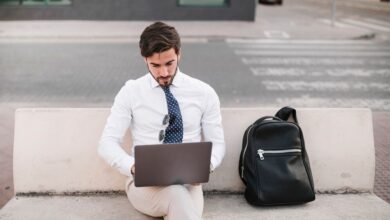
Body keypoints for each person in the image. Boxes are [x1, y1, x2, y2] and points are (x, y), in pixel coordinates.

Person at [98, 21, 226, 220]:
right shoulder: (131, 92)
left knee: (180, 198)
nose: (164, 73)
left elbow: (217, 143)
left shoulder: (204, 93)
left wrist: (206, 166)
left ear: (179, 54)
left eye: (169, 63)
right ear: (145, 59)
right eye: (155, 66)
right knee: (178, 199)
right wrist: (133, 167)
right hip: (144, 185)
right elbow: (107, 143)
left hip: (189, 185)